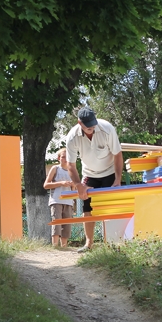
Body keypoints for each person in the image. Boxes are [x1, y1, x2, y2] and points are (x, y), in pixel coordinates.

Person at [65, 106, 123, 253]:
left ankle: (114, 243)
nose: (92, 127)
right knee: (87, 208)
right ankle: (89, 243)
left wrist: (117, 179)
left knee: (111, 208)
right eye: (88, 126)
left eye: (93, 124)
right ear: (79, 123)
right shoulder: (72, 137)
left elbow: (117, 154)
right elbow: (71, 165)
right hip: (89, 174)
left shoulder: (107, 129)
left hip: (109, 172)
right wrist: (78, 185)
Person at [43, 149, 75, 248]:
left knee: (67, 224)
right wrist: (61, 183)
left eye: (67, 157)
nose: (65, 159)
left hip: (68, 201)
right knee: (57, 222)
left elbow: (74, 189)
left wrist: (73, 185)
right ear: (59, 158)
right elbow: (46, 185)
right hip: (56, 200)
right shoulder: (55, 168)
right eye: (63, 157)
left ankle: (64, 246)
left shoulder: (72, 170)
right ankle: (55, 246)